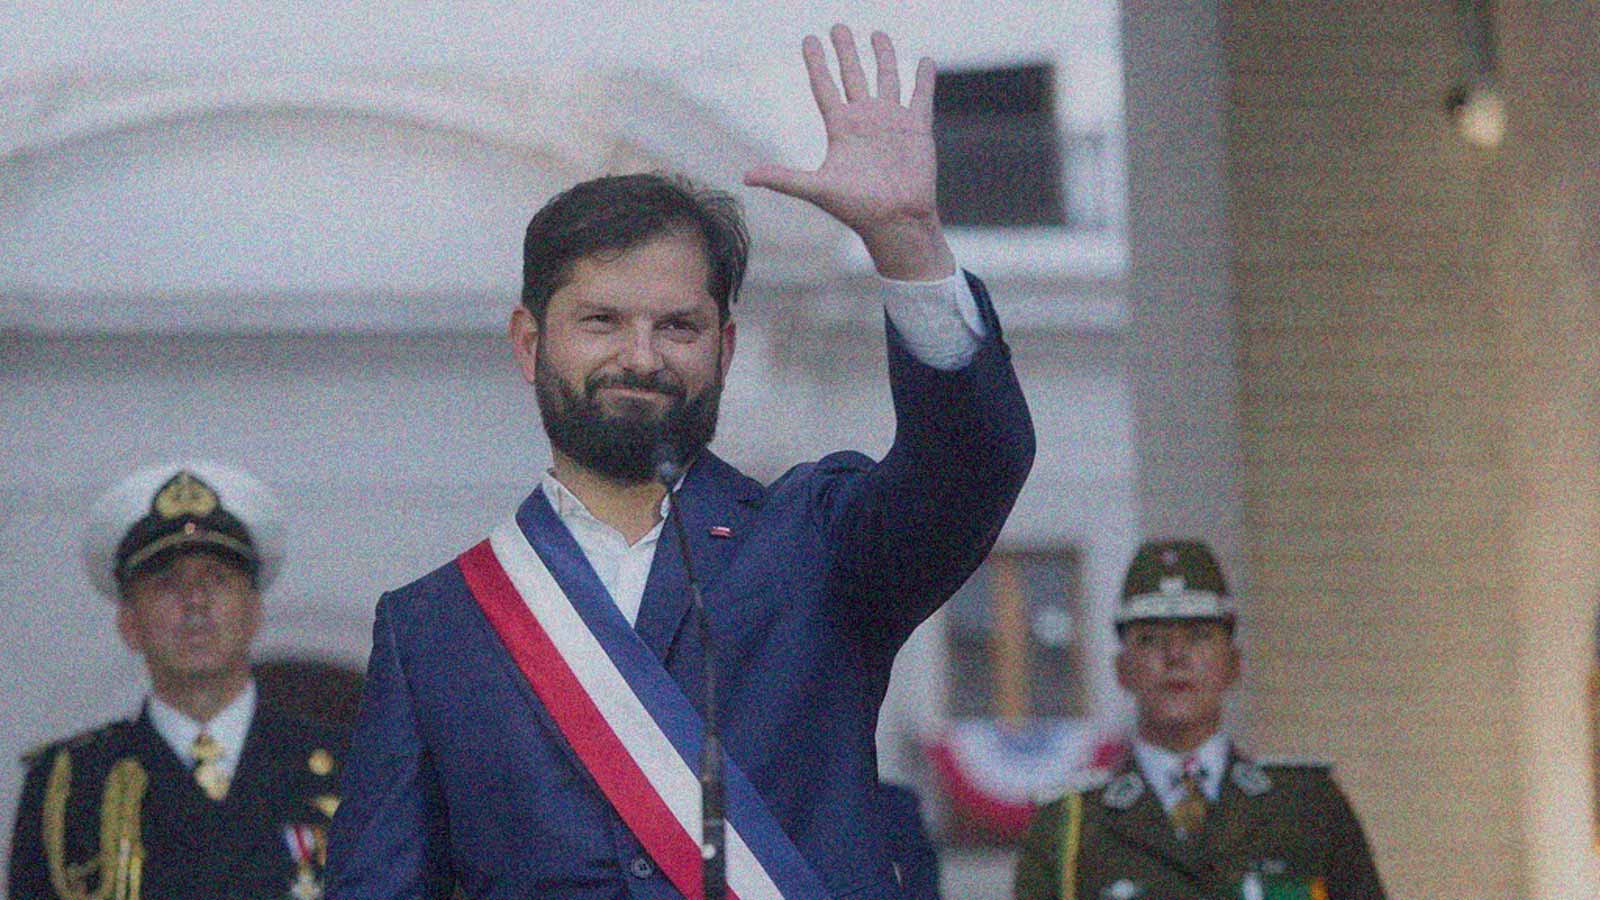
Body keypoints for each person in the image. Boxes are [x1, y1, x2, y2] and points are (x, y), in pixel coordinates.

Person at [326, 24, 1034, 900]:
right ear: (529, 342)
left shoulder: (819, 543)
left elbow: (971, 465)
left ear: (726, 348)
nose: (643, 356)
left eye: (679, 326)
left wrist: (910, 245)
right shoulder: (433, 628)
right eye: (602, 322)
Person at [7, 462, 348, 900]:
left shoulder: (347, 770)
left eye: (217, 580)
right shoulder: (71, 788)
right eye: (167, 585)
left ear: (255, 613)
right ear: (130, 623)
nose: (195, 604)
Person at [1013, 540, 1387, 900]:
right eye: (1151, 639)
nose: (1176, 656)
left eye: (1199, 636)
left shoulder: (1306, 808)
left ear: (1234, 665)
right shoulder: (1069, 828)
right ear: (1122, 669)